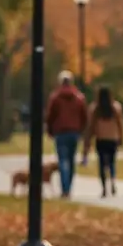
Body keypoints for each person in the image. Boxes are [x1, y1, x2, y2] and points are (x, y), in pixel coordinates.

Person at [46, 70, 88, 198]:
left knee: (63, 160)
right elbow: (84, 116)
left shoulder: (55, 97)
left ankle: (65, 189)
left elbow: (50, 116)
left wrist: (50, 130)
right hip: (74, 132)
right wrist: (81, 130)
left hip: (61, 132)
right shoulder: (79, 97)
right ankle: (69, 186)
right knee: (71, 160)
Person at [83, 86, 123, 198]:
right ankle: (112, 182)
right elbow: (120, 125)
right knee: (111, 163)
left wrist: (88, 140)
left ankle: (104, 188)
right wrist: (121, 138)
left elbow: (91, 126)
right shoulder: (116, 108)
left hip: (100, 139)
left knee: (102, 164)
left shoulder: (95, 109)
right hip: (113, 139)